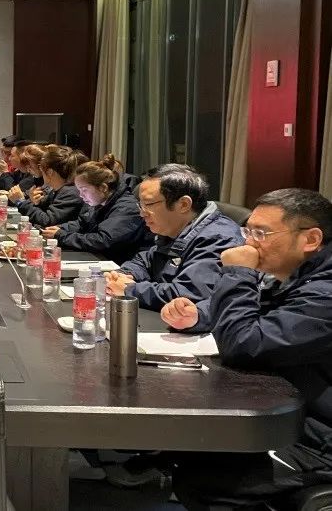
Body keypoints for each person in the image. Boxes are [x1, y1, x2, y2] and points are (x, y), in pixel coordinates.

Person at [166, 189, 332, 510]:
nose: (249, 243)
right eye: (248, 231)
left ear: (311, 239)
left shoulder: (324, 293)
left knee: (204, 478)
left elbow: (244, 344)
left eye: (262, 233)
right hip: (292, 410)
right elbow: (261, 312)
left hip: (320, 439)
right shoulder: (299, 273)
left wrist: (238, 272)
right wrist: (198, 314)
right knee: (189, 443)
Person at [104, 163, 243, 312]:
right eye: (140, 205)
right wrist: (124, 274)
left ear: (183, 204)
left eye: (148, 204)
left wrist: (129, 289)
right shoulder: (177, 228)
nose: (142, 213)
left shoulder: (217, 238)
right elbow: (146, 260)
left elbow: (187, 297)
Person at [41, 154, 148, 264]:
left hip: (118, 264)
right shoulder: (99, 201)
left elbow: (103, 240)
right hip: (99, 259)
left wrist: (62, 236)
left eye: (84, 190)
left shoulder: (127, 208)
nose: (81, 195)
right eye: (79, 191)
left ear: (103, 188)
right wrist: (60, 229)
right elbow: (82, 223)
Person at [6, 144, 87, 227]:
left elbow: (47, 221)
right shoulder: (56, 190)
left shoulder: (70, 192)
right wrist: (35, 203)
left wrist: (21, 202)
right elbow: (42, 212)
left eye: (42, 170)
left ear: (49, 172)